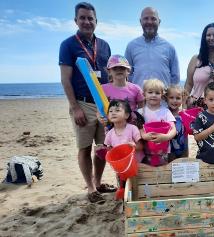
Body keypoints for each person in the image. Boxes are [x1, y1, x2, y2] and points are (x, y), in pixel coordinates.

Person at [59, 2, 114, 204]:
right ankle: (90, 188)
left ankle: (98, 183)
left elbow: (110, 76)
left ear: (96, 21)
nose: (86, 21)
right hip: (82, 104)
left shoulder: (105, 45)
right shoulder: (68, 45)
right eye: (82, 17)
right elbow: (65, 79)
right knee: (84, 148)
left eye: (90, 18)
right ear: (76, 20)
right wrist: (75, 108)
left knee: (102, 147)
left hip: (103, 105)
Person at [125, 7, 180, 88]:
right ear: (140, 21)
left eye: (153, 19)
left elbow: (175, 78)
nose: (149, 22)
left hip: (163, 100)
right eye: (146, 18)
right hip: (139, 100)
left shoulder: (169, 48)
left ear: (159, 22)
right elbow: (126, 75)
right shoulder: (131, 47)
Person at [139, 79, 177, 166]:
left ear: (162, 95)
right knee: (147, 174)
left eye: (157, 93)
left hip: (162, 151)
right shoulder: (140, 112)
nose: (153, 95)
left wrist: (166, 137)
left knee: (161, 173)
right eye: (150, 92)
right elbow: (138, 129)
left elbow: (173, 129)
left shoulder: (166, 111)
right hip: (145, 151)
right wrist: (144, 135)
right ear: (144, 94)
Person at [191, 82, 214, 164]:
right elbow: (197, 137)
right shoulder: (200, 116)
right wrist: (212, 128)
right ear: (205, 100)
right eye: (211, 99)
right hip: (205, 160)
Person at [102, 54, 145, 125]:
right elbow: (99, 110)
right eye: (115, 68)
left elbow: (141, 108)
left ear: (128, 70)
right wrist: (101, 118)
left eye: (122, 68)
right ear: (109, 71)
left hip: (132, 128)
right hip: (111, 129)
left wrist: (139, 119)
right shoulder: (103, 89)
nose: (119, 70)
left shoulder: (136, 89)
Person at [166, 85, 189, 161]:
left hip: (183, 145)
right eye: (171, 97)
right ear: (166, 99)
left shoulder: (183, 112)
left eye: (178, 98)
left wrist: (185, 102)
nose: (174, 100)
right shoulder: (165, 113)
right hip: (170, 147)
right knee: (171, 164)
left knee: (184, 163)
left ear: (182, 99)